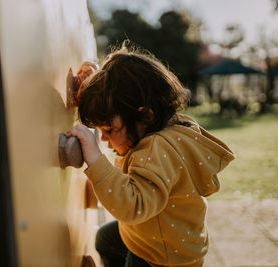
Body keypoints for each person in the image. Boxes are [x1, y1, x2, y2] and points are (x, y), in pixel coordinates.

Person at [66, 44, 235, 267]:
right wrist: (91, 87)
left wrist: (95, 157)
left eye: (108, 130)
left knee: (117, 246)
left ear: (144, 116)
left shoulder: (157, 149)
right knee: (107, 239)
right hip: (159, 239)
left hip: (160, 258)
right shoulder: (166, 132)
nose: (104, 139)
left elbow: (133, 206)